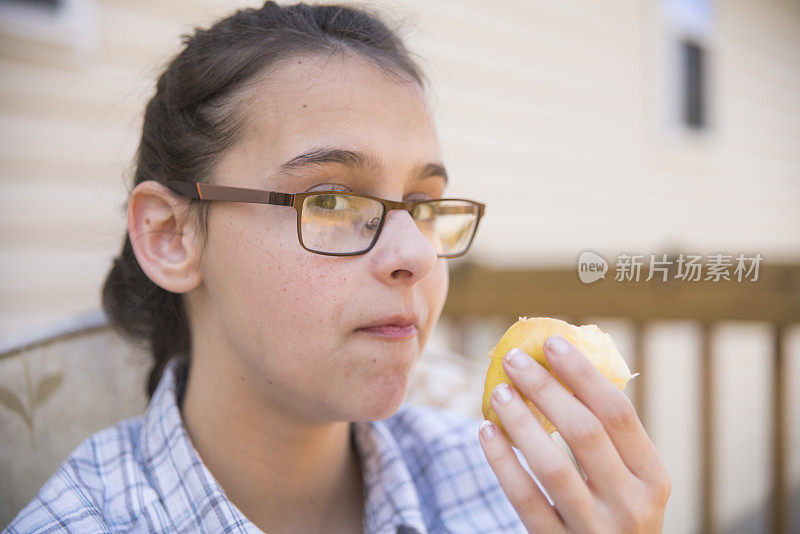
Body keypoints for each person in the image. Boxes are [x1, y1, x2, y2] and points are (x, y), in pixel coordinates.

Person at [5, 2, 670, 533]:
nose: (415, 255)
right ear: (171, 235)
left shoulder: (512, 489)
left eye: (423, 205)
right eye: (329, 200)